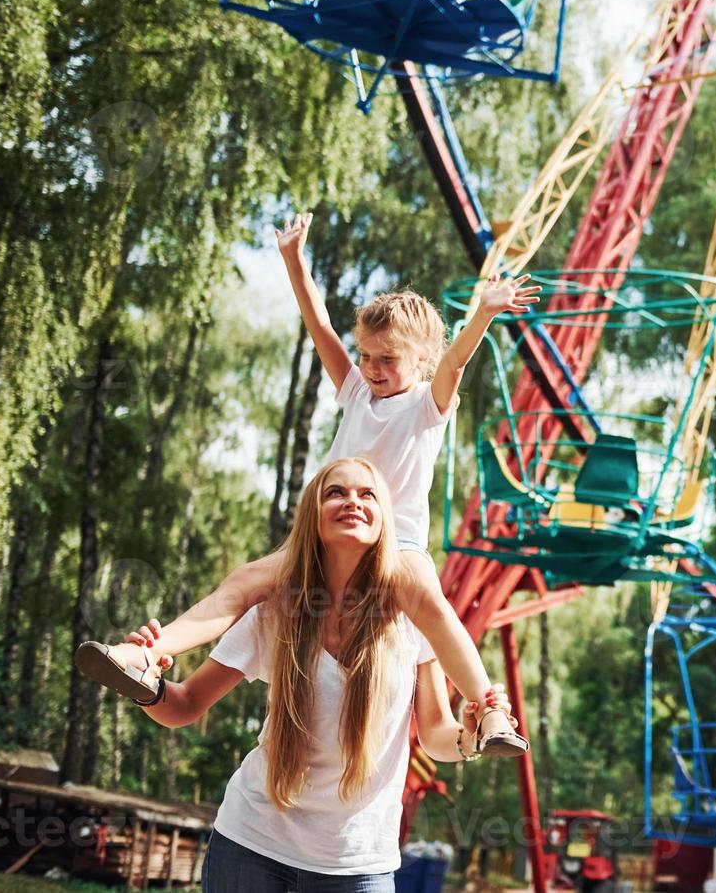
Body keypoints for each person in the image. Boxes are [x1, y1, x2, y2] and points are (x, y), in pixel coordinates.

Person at [75, 212, 541, 756]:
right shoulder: (356, 392)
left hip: (399, 542)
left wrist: (483, 314)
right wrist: (295, 259)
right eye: (366, 356)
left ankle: (488, 707)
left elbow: (457, 366)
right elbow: (319, 326)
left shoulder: (426, 406)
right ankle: (147, 655)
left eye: (386, 359)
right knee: (245, 581)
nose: (371, 368)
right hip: (320, 536)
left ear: (421, 359)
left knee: (432, 605)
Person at [138, 457, 512, 890]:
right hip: (252, 846)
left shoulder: (410, 617)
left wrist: (469, 738)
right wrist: (146, 685)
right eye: (336, 492)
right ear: (314, 515)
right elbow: (183, 705)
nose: (352, 502)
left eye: (366, 494)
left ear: (384, 520)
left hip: (358, 866)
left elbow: (433, 734)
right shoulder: (275, 610)